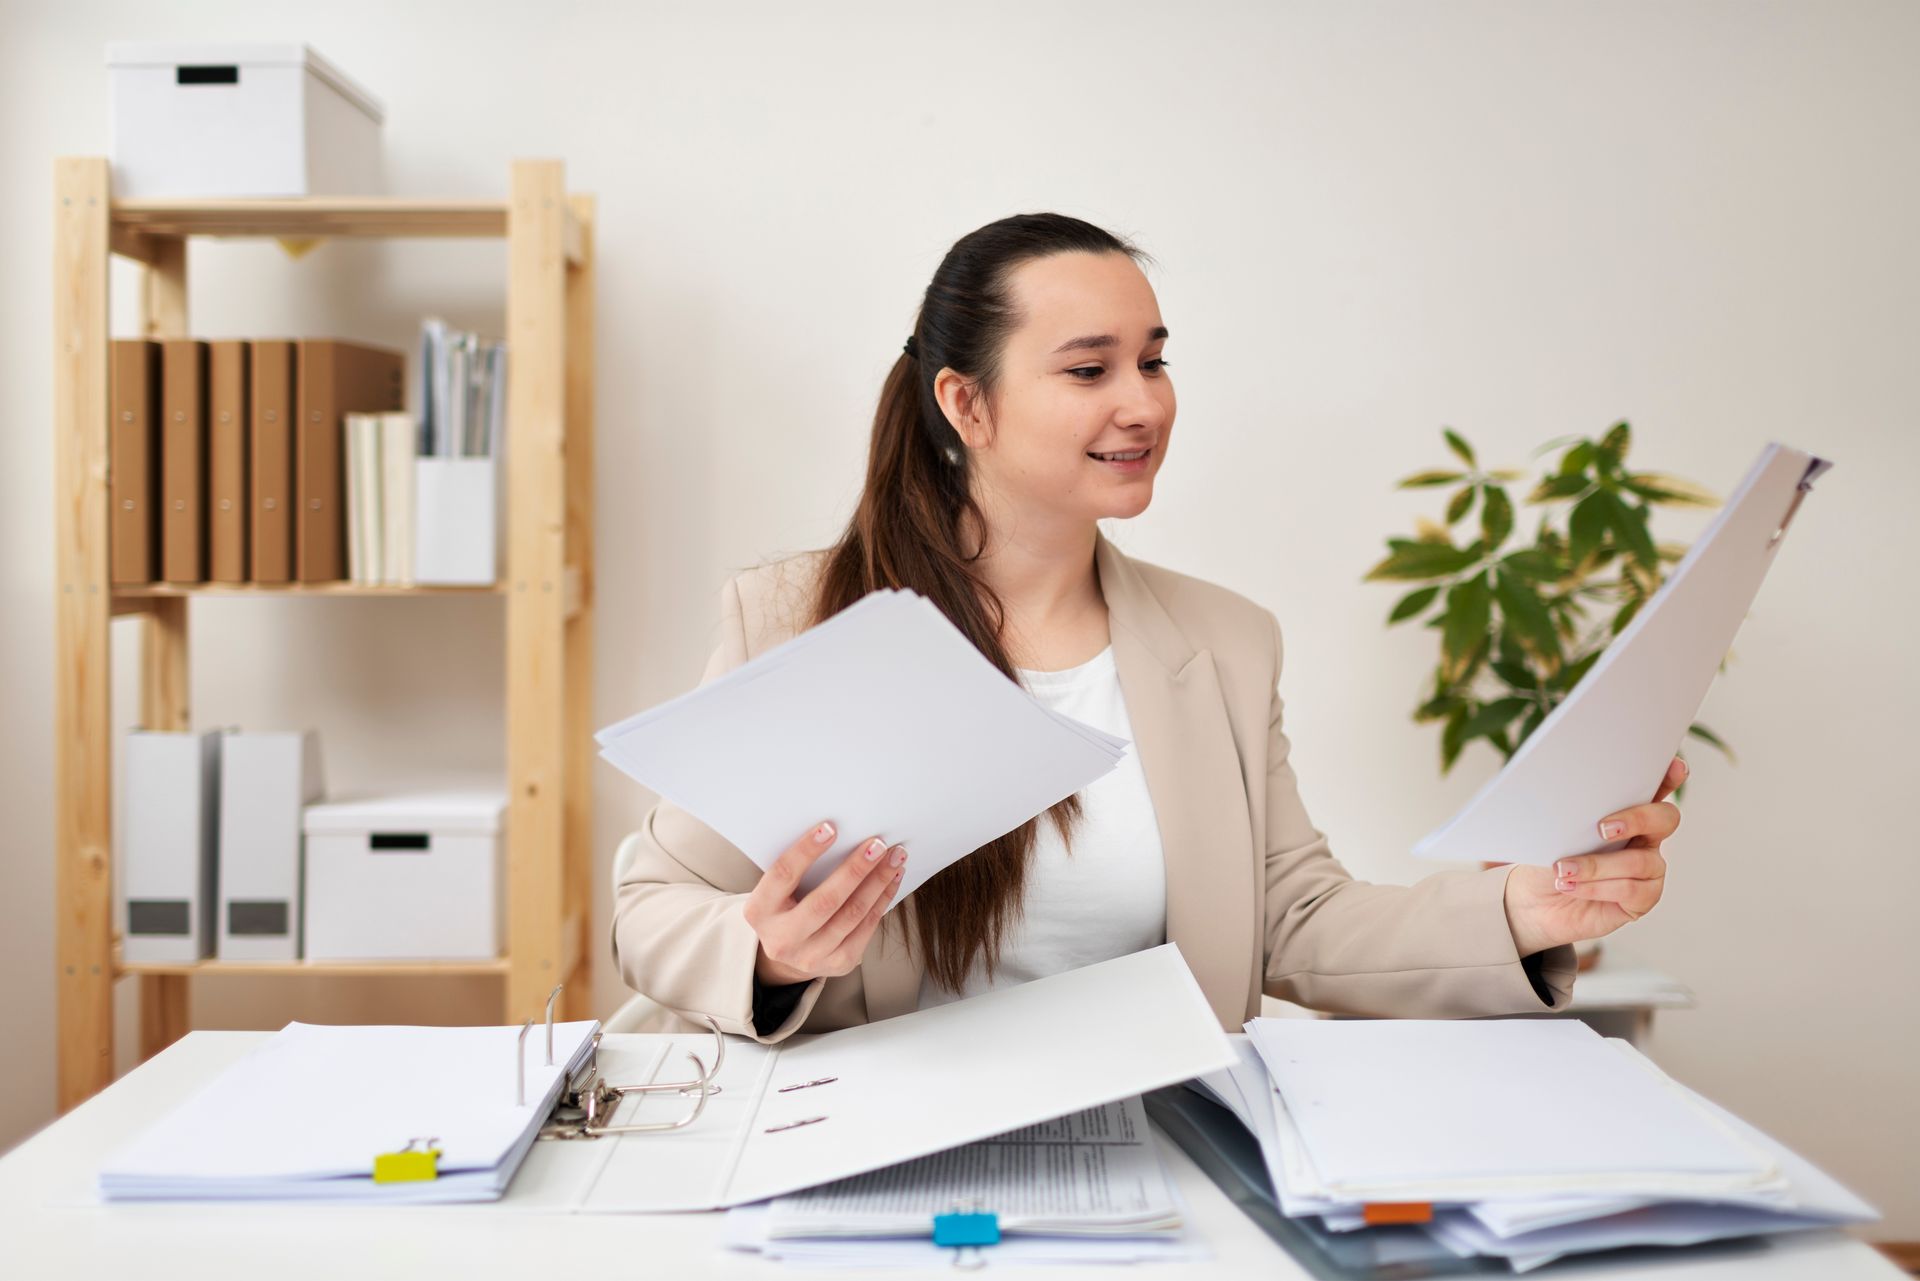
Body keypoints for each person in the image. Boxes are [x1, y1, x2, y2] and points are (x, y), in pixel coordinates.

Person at [611, 213, 1681, 1042]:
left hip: (1147, 1159)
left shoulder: (1223, 643)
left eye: (1154, 361)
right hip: (874, 1163)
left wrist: (1531, 911)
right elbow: (654, 907)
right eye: (1089, 370)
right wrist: (768, 953)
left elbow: (1295, 920)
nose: (1144, 404)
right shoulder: (800, 621)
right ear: (965, 405)